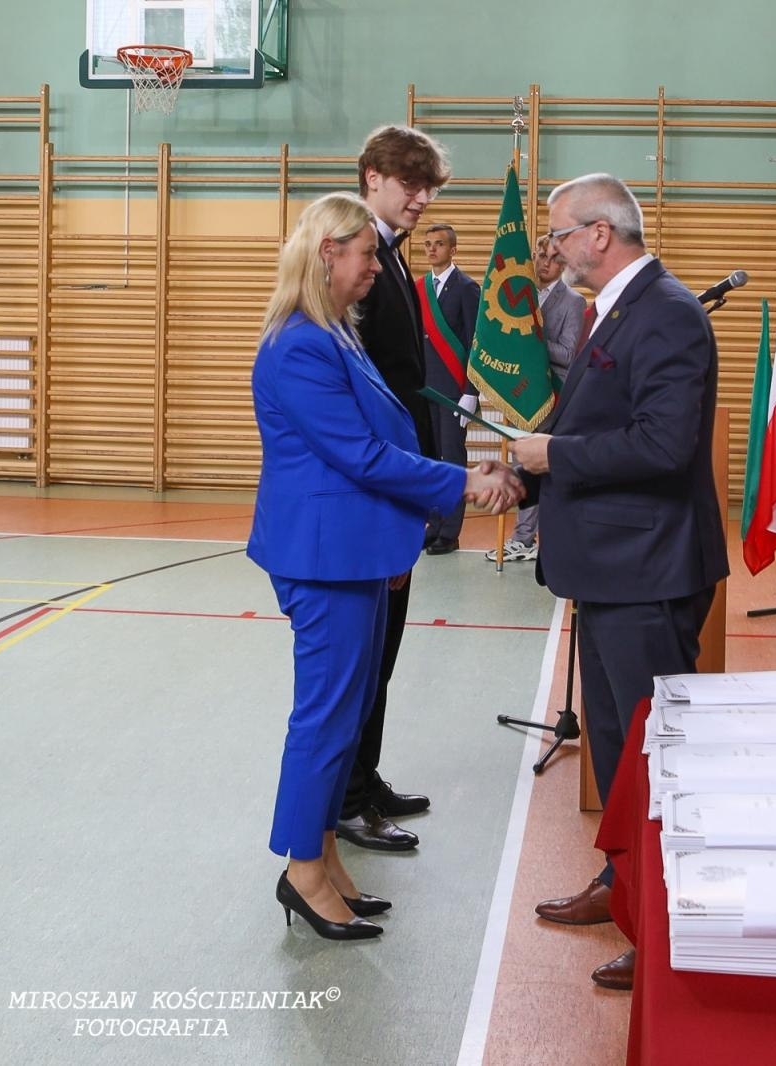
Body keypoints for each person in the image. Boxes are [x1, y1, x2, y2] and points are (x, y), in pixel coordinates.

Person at [247, 191, 519, 940]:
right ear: (328, 253)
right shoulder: (300, 344)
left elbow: (386, 429)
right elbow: (361, 455)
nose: (376, 267)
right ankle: (302, 872)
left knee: (346, 714)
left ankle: (323, 858)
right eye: (367, 254)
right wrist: (465, 482)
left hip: (356, 550)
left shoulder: (335, 331)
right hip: (324, 556)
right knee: (326, 720)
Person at [509, 173, 727, 992]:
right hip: (610, 567)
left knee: (653, 754)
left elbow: (664, 446)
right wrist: (527, 471)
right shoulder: (619, 309)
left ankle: (664, 919)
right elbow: (594, 424)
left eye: (559, 234)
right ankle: (625, 885)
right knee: (617, 745)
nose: (552, 249)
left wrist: (552, 457)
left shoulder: (666, 313)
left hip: (648, 570)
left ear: (601, 234)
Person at [336, 125, 452, 855]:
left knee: (386, 649)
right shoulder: (356, 261)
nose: (422, 199)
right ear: (372, 176)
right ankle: (347, 799)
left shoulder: (393, 259)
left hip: (401, 485)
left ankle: (364, 777)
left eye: (430, 187)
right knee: (364, 659)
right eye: (410, 184)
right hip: (378, 488)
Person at [489, 234, 586, 563]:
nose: (546, 263)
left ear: (565, 264)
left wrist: (533, 336)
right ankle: (523, 537)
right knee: (521, 463)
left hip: (553, 396)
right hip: (520, 392)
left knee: (539, 466)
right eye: (540, 256)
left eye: (554, 259)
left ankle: (529, 537)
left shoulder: (573, 302)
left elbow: (570, 354)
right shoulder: (517, 296)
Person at [419, 222, 482, 556]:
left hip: (454, 391)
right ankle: (432, 524)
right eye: (427, 244)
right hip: (424, 390)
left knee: (453, 460)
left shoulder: (467, 288)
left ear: (453, 249)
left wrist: (472, 392)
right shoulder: (418, 288)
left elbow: (476, 342)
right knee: (427, 459)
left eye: (438, 244)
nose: (431, 249)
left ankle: (450, 531)